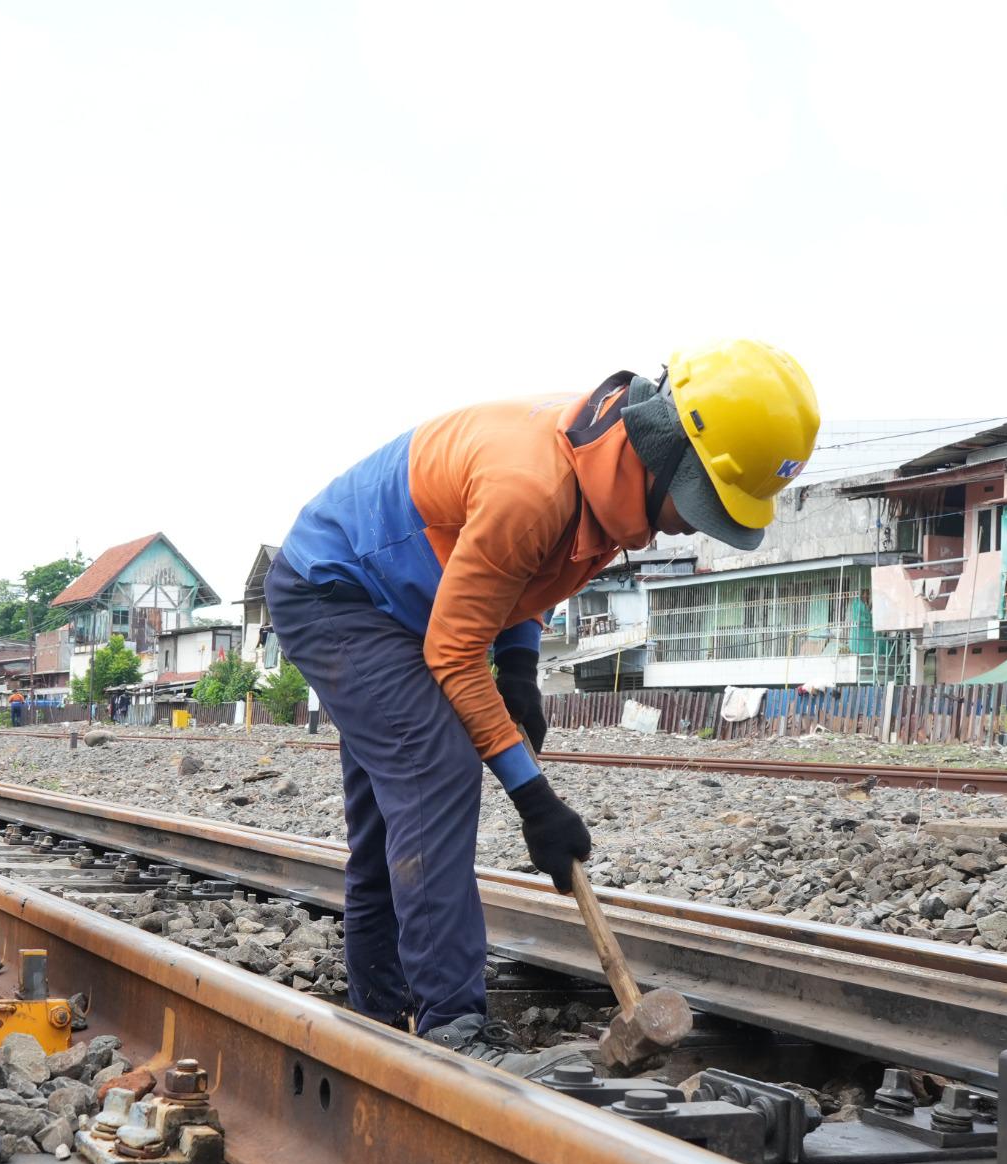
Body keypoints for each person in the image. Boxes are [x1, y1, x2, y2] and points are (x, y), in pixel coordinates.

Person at [269, 341, 819, 1062]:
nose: (691, 525)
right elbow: (455, 654)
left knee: (394, 811)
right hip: (336, 593)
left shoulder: (607, 477)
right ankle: (453, 1031)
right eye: (701, 503)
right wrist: (536, 802)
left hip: (413, 604)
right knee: (436, 769)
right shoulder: (533, 487)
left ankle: (380, 1011)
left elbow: (524, 579)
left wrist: (522, 667)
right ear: (666, 456)